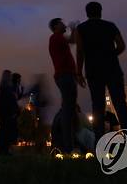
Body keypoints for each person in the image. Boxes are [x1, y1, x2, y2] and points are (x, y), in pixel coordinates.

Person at [75, 1, 127, 141]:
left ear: (87, 13)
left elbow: (80, 51)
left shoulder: (81, 28)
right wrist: (111, 55)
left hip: (93, 70)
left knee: (97, 106)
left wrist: (78, 72)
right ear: (100, 12)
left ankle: (99, 141)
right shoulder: (110, 26)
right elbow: (121, 45)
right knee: (120, 104)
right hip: (113, 68)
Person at [48, 18, 78, 153]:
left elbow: (71, 41)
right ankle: (68, 146)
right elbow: (73, 40)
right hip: (65, 75)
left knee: (69, 109)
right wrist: (73, 29)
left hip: (67, 75)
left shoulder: (57, 38)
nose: (64, 24)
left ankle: (68, 145)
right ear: (56, 26)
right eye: (61, 23)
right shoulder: (56, 37)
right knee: (67, 111)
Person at [0, 70, 19, 155]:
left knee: (4, 132)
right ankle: (4, 150)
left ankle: (2, 150)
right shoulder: (7, 88)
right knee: (6, 132)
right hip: (7, 113)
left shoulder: (3, 87)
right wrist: (13, 111)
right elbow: (10, 101)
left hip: (4, 113)